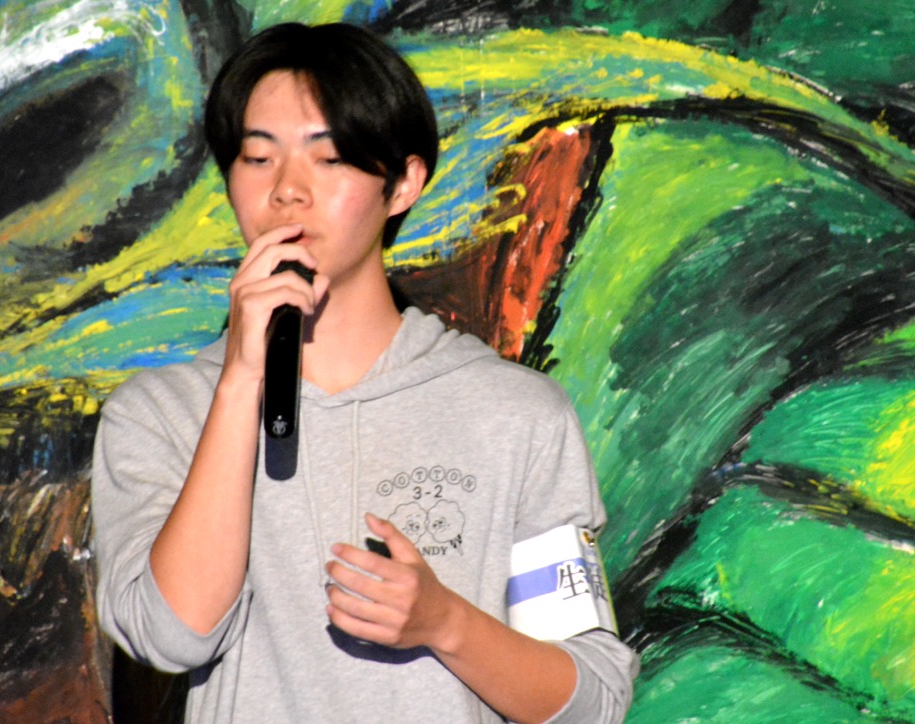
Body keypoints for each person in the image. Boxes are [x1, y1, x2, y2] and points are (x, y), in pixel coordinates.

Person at [92, 21, 638, 723]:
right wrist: (238, 383)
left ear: (403, 183)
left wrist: (446, 622)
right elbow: (171, 636)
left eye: (328, 159)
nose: (288, 191)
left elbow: (593, 701)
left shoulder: (516, 414)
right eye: (257, 158)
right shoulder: (157, 414)